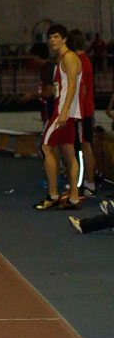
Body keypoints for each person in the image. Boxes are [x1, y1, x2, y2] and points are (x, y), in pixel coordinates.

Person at [35, 24, 83, 211]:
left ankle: (53, 195)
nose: (52, 40)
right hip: (66, 111)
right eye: (50, 37)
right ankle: (73, 198)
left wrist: (63, 112)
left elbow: (72, 86)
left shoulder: (69, 57)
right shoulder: (62, 59)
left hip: (63, 112)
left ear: (64, 38)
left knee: (45, 148)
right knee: (69, 154)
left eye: (55, 37)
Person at [69, 30, 97, 197]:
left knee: (84, 146)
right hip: (85, 110)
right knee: (85, 146)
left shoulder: (79, 62)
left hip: (82, 111)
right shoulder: (84, 61)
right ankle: (88, 182)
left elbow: (83, 89)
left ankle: (89, 183)